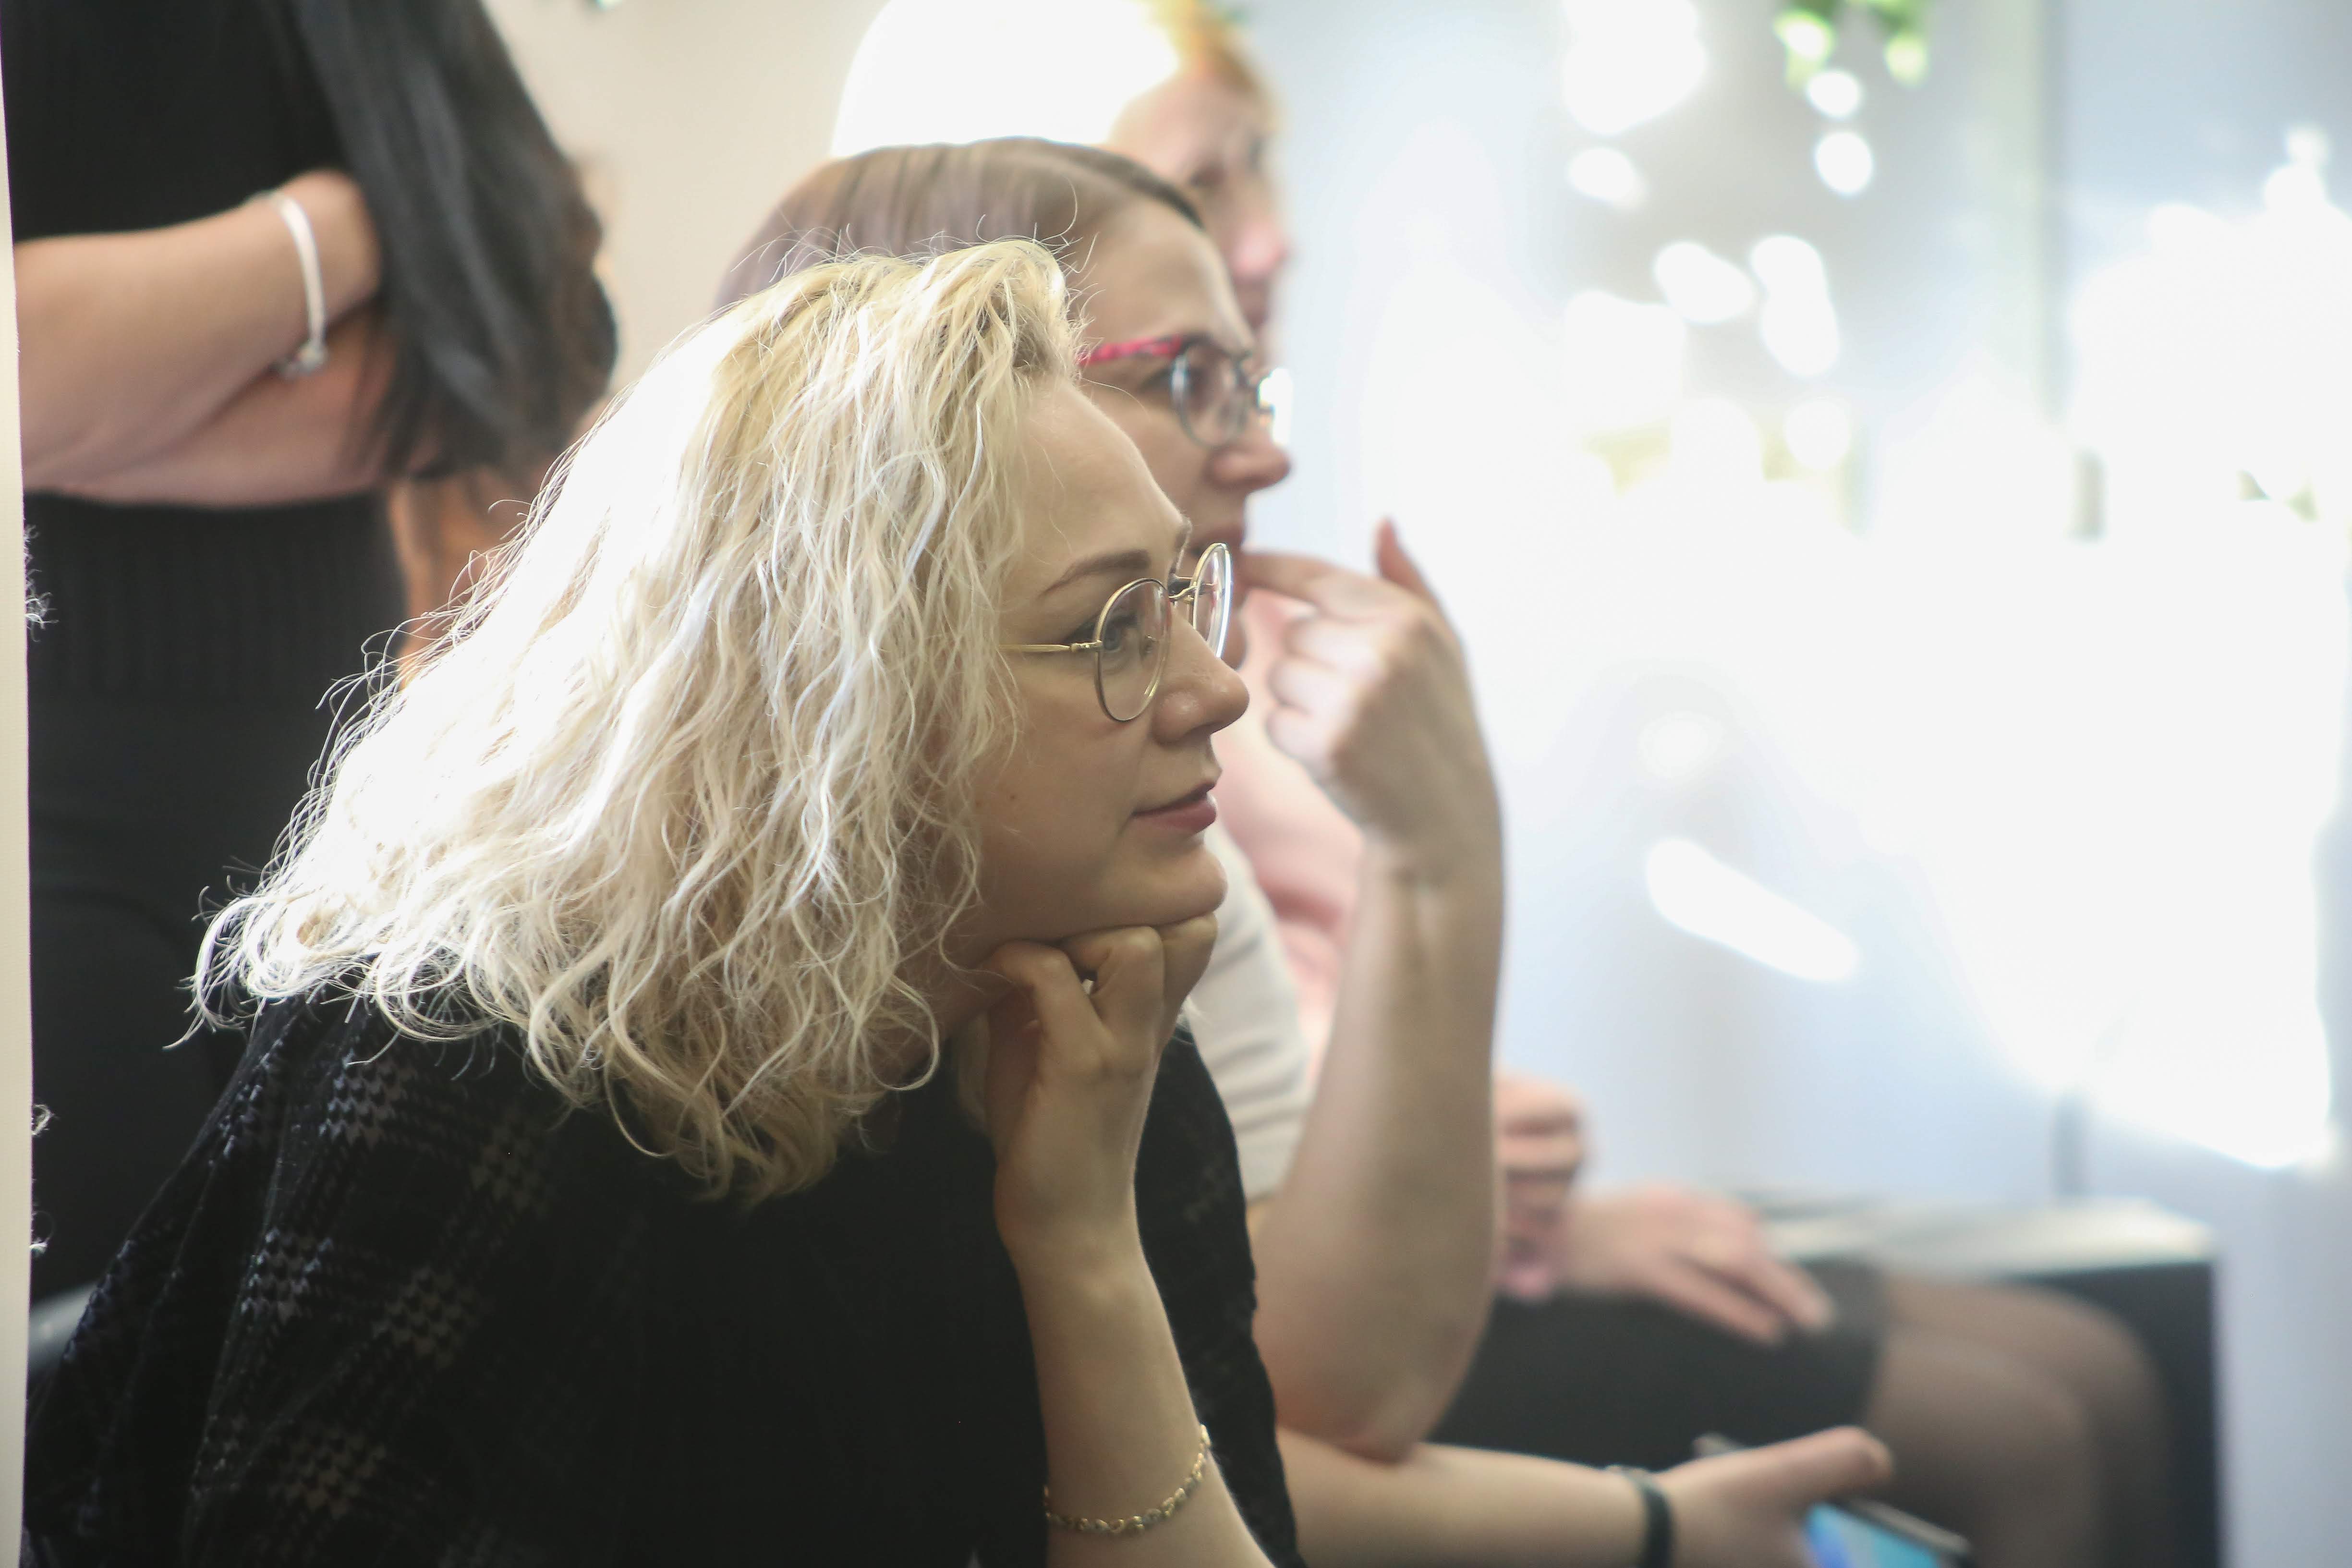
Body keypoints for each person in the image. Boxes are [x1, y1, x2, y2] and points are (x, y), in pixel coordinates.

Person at [25, 241, 1300, 1568]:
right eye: (1113, 629)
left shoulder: (1093, 1050)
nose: (1216, 691)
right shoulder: (469, 1067)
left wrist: (1083, 1247)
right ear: (836, 700)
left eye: (1182, 597)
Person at [1102, 13, 2178, 1568]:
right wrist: (1518, 1196)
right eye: (1209, 183)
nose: (1272, 233)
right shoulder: (1118, 707)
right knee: (2030, 1426)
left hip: (1439, 1239)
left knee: (2101, 1370)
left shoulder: (1243, 615)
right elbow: (1273, 1284)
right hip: (1377, 1287)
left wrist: (1506, 1177)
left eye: (1262, 166)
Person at [730, 137, 1894, 1568]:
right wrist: (1644, 1527)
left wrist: (1441, 847)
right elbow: (1306, 1409)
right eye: (1187, 377)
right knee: (2016, 1416)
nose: (1267, 451)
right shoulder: (618, 1063)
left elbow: (1231, 1414)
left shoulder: (1149, 873)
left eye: (1250, 378)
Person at [5, 0, 616, 1299]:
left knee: (305, 1320)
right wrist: (348, 223)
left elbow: (544, 326)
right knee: (76, 1341)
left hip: (335, 811)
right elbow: (22, 372)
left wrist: (89, 407)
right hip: (35, 819)